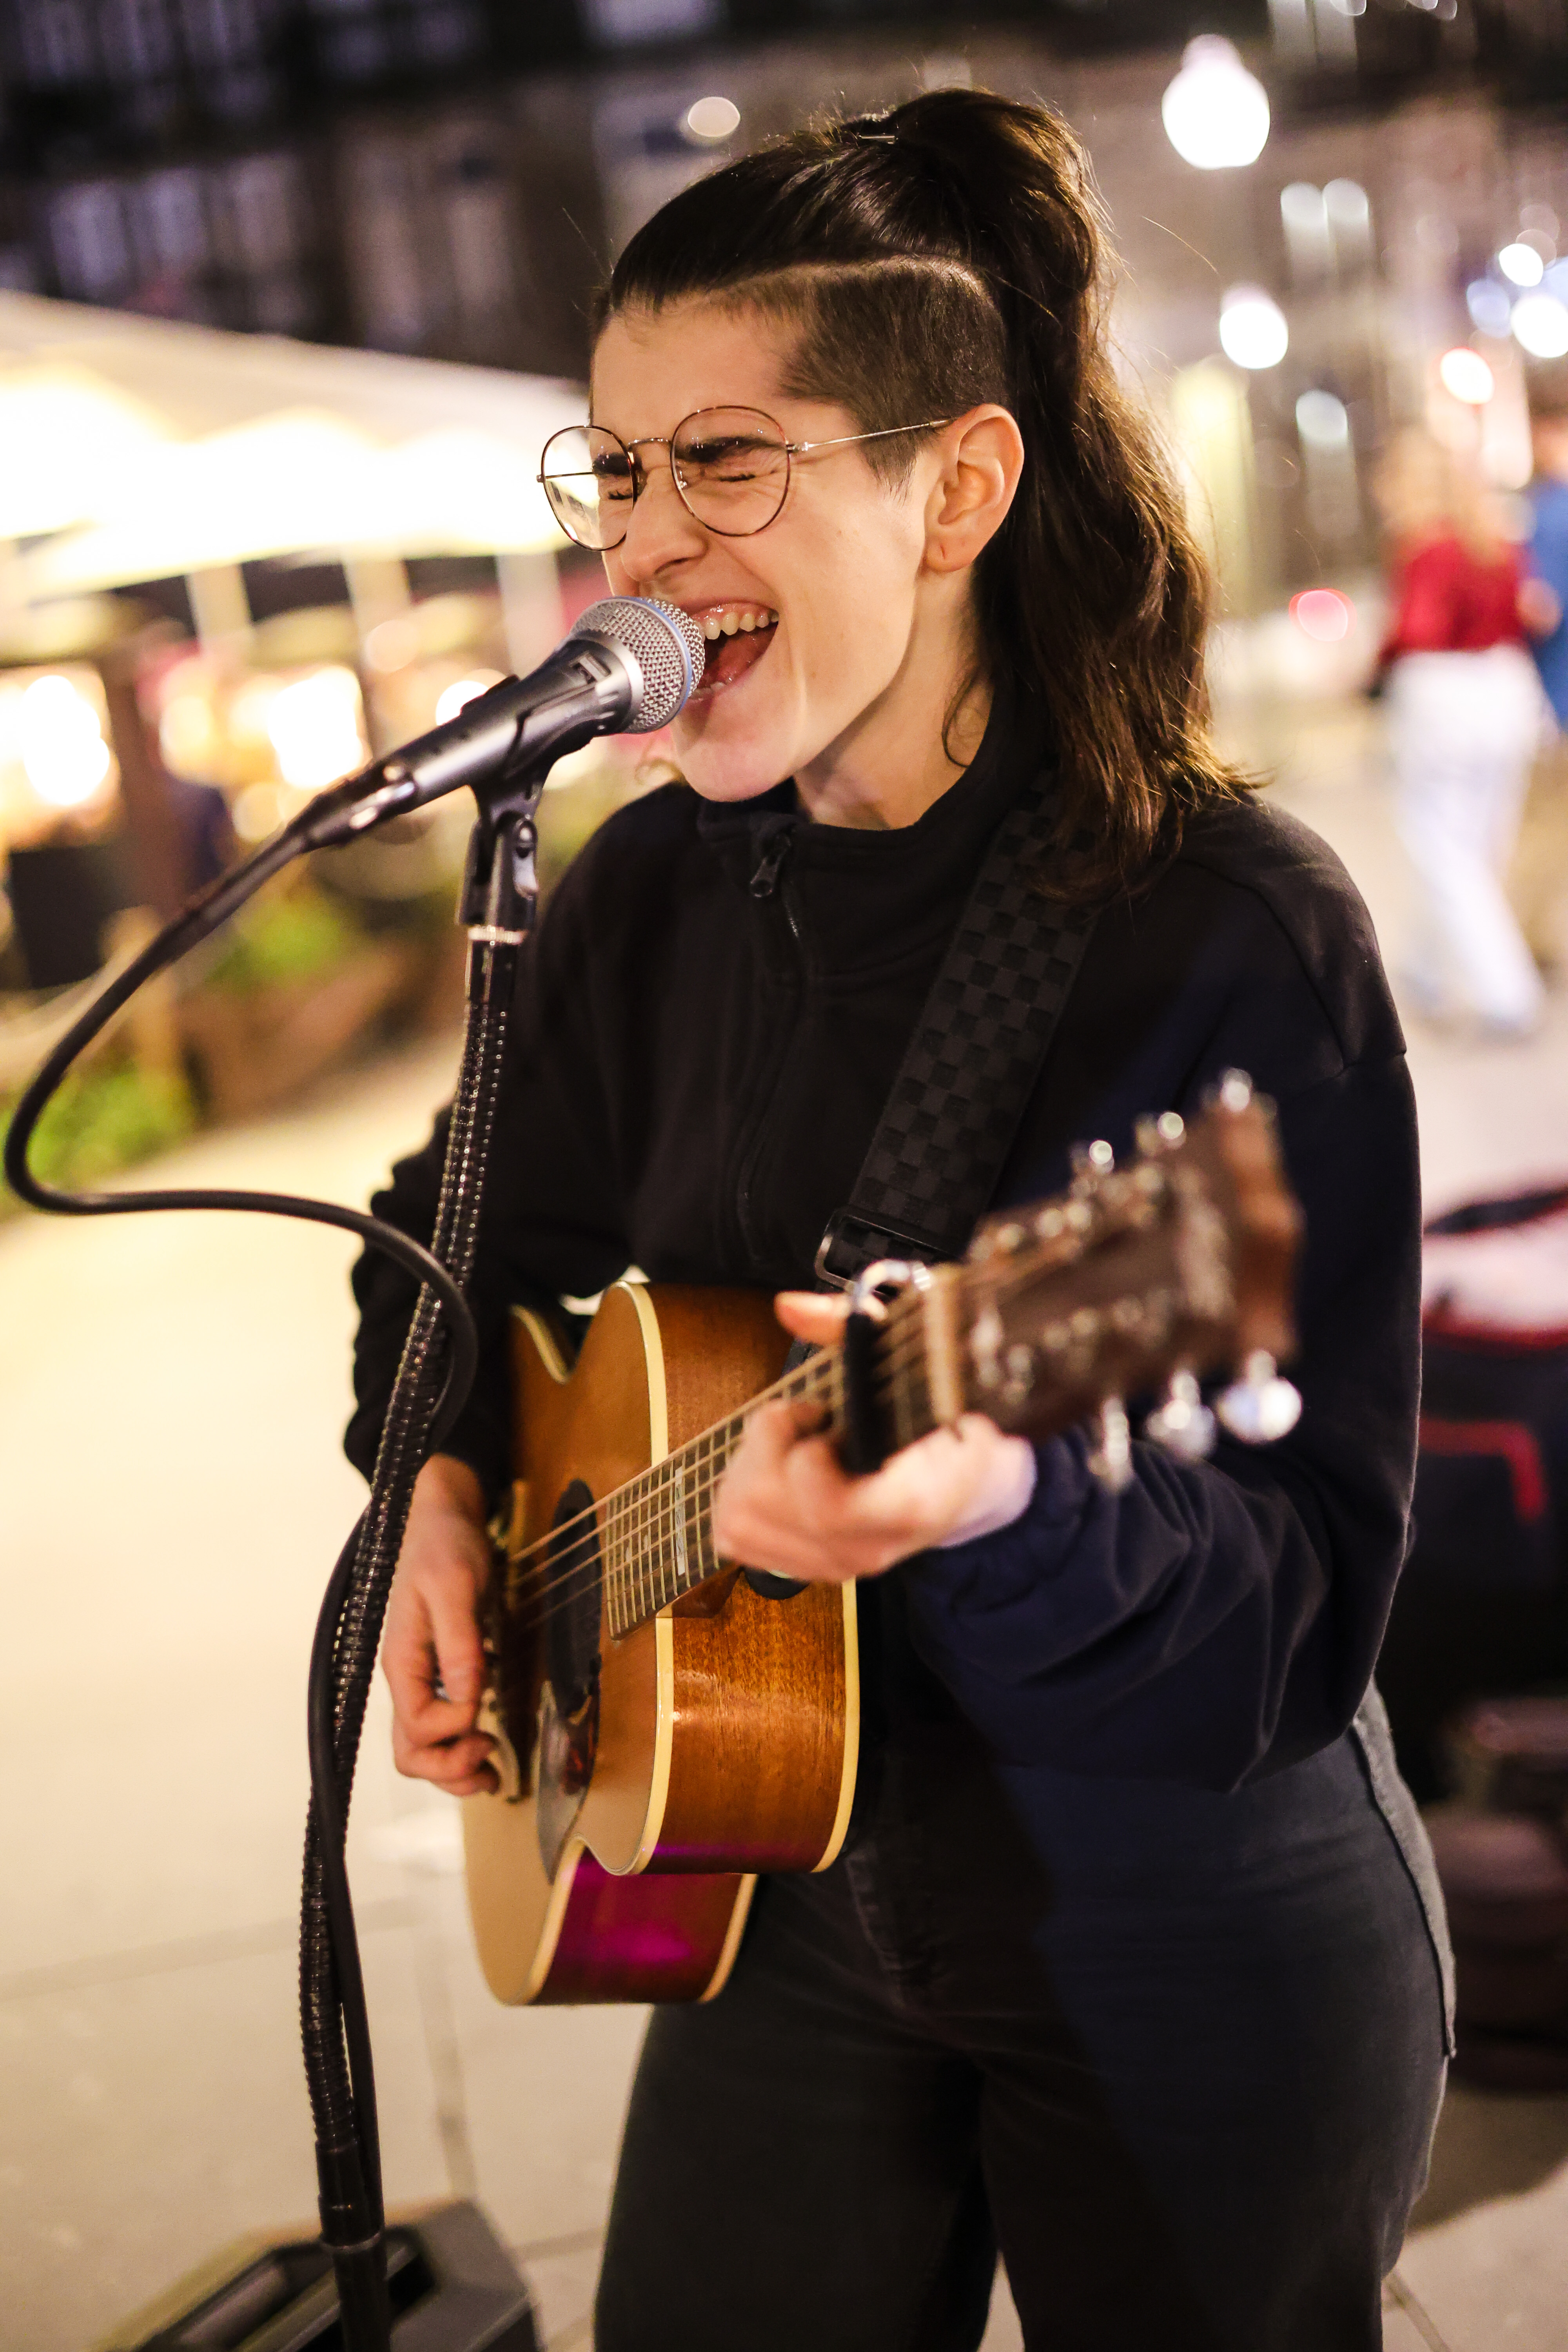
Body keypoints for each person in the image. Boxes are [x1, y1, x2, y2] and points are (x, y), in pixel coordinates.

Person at [349, 92, 1450, 2352]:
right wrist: (438, 1479)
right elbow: (445, 1229)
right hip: (771, 1898)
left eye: (726, 461)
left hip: (1186, 1913)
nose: (644, 544)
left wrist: (1004, 1499)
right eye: (619, 466)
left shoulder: (1221, 931)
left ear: (955, 487)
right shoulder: (648, 893)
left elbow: (1295, 1615)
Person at [1372, 428, 1550, 1034]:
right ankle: (1425, 971)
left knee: (1441, 848)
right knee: (1475, 843)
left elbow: (1416, 630)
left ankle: (1507, 992)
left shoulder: (1424, 548)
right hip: (1506, 692)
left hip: (1443, 698)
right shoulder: (1495, 541)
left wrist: (1374, 664)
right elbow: (1531, 613)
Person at [1508, 381, 1568, 966]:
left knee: (1546, 828)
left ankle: (1522, 945)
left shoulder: (1551, 512)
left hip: (1561, 697)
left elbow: (1541, 607)